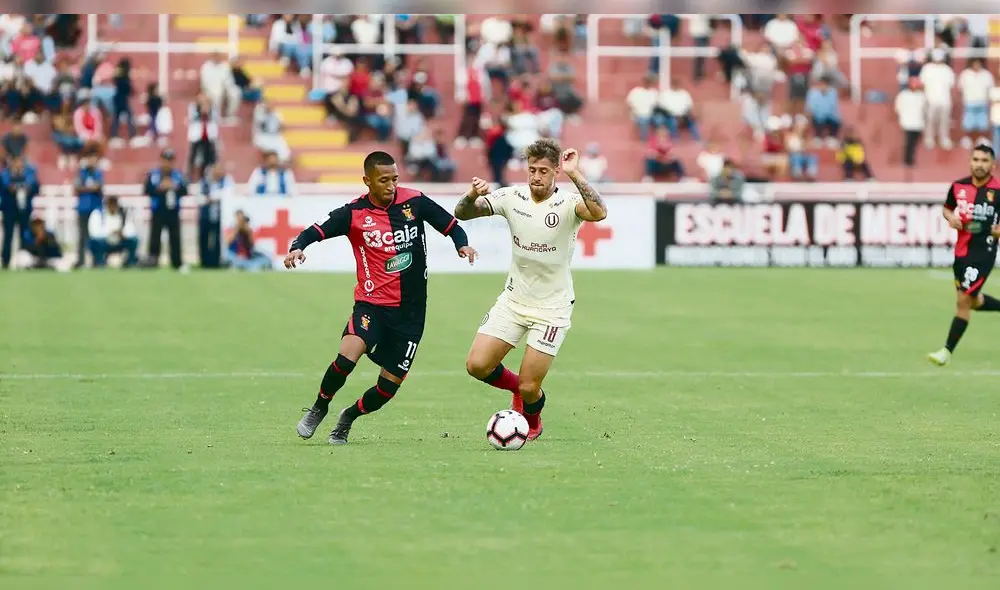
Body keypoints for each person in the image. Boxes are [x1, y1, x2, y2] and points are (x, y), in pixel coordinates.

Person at [286, 151, 478, 445]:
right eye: (383, 180)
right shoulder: (353, 213)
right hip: (371, 304)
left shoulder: (414, 201)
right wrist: (299, 246)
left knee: (387, 389)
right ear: (367, 181)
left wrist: (462, 245)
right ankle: (319, 406)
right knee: (347, 356)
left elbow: (451, 225)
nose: (390, 185)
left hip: (411, 313)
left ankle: (348, 417)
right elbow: (317, 229)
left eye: (394, 179)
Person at [453, 138, 608, 440]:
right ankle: (516, 391)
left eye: (544, 171)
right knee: (477, 365)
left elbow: (599, 212)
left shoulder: (567, 205)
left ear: (555, 173)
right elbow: (464, 213)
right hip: (513, 301)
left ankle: (532, 420)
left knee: (530, 386)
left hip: (552, 309)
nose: (536, 177)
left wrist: (575, 173)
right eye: (532, 170)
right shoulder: (511, 197)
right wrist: (471, 194)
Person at [928, 144, 1000, 366]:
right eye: (976, 159)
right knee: (974, 301)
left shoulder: (997, 190)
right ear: (970, 161)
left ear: (993, 164)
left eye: (984, 160)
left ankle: (946, 351)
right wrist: (951, 219)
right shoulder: (958, 186)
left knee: (962, 301)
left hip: (983, 252)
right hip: (961, 252)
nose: (980, 164)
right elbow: (947, 208)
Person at [143, 149, 188, 269]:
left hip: (173, 210)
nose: (167, 163)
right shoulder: (154, 174)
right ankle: (152, 261)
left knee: (175, 237)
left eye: (170, 160)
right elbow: (147, 189)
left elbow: (185, 190)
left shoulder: (178, 175)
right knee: (155, 237)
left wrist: (174, 187)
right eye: (165, 160)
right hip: (158, 210)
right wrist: (160, 187)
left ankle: (177, 263)